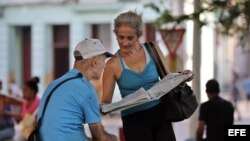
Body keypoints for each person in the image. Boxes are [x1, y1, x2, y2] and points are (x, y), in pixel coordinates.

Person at [101, 11, 193, 141]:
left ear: (138, 35)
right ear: (116, 35)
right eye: (120, 37)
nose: (125, 43)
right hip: (134, 121)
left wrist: (183, 77)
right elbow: (105, 102)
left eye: (130, 38)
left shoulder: (152, 49)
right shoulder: (112, 64)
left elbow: (169, 77)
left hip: (160, 115)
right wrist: (103, 108)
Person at [37, 39, 117, 141]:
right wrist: (114, 138)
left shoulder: (53, 84)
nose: (105, 66)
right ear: (95, 62)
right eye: (103, 61)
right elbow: (100, 138)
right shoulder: (85, 88)